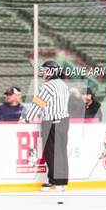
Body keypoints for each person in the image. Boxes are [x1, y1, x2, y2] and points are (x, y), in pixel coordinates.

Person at [24, 61, 69, 192]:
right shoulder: (63, 85)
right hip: (64, 121)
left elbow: (37, 104)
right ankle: (60, 181)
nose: (42, 73)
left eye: (44, 70)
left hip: (52, 122)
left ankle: (56, 181)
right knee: (61, 151)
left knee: (52, 152)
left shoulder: (47, 86)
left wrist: (27, 118)